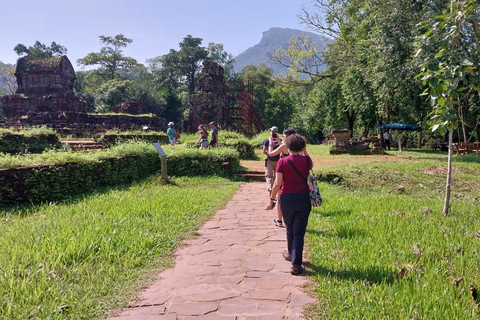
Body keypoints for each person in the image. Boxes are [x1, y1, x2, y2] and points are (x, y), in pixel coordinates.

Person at [266, 133, 312, 275]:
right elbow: (309, 164)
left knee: (290, 228)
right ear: (303, 146)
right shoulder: (307, 161)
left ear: (287, 146)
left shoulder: (282, 162)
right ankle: (296, 264)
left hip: (286, 198)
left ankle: (290, 254)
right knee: (299, 231)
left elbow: (277, 183)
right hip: (303, 198)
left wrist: (272, 199)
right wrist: (304, 150)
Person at [262, 126, 282, 225]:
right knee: (276, 177)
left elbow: (263, 151)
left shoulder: (267, 140)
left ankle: (270, 188)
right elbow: (283, 152)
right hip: (278, 160)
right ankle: (274, 189)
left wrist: (269, 154)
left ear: (271, 131)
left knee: (269, 176)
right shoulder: (280, 140)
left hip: (270, 160)